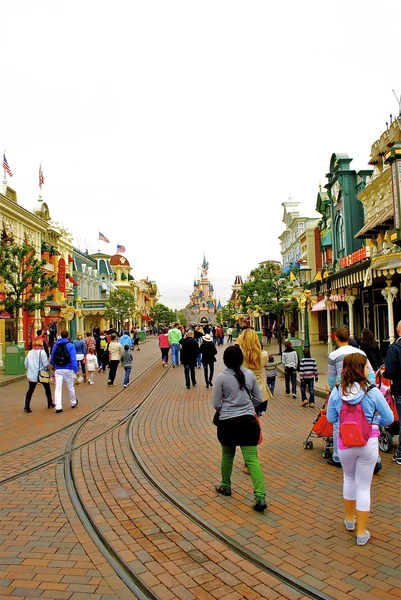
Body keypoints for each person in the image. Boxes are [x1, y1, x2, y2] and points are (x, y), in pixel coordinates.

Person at [327, 353, 393, 545]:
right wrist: (374, 421)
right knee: (364, 486)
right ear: (361, 369)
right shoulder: (372, 392)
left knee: (349, 478)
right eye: (366, 367)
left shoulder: (336, 392)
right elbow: (388, 418)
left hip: (345, 442)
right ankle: (362, 532)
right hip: (368, 442)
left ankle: (349, 520)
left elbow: (331, 419)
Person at [213, 345, 267, 512]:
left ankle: (226, 485)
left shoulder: (221, 378)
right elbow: (258, 398)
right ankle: (260, 496)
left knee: (227, 455)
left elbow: (216, 404)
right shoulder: (249, 374)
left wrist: (229, 406)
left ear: (225, 360)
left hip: (228, 423)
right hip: (248, 422)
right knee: (252, 459)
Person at [327, 326, 376, 468]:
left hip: (342, 390)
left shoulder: (333, 355)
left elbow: (331, 379)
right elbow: (371, 373)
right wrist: (371, 389)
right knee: (364, 418)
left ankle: (338, 455)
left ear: (336, 338)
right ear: (349, 338)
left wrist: (333, 392)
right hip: (362, 389)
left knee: (338, 422)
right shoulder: (360, 352)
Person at [383, 320, 401, 465]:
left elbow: (390, 371)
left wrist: (385, 375)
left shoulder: (395, 348)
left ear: (398, 330)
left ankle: (400, 454)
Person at [237, 328, 272, 403]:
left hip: (245, 394)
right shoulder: (264, 355)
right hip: (261, 393)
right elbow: (265, 363)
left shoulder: (239, 356)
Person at [50, 330, 78, 413]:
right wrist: (76, 370)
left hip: (58, 369)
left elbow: (52, 357)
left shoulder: (56, 345)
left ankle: (58, 406)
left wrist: (53, 366)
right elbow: (73, 359)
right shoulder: (71, 345)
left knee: (58, 388)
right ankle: (73, 402)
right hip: (68, 369)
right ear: (68, 336)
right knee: (70, 386)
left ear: (60, 336)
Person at [24, 337, 54, 412]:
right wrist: (51, 368)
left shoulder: (30, 352)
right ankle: (50, 403)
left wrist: (29, 368)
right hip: (41, 374)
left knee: (30, 390)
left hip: (32, 375)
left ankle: (26, 406)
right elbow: (45, 363)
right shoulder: (42, 352)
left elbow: (25, 363)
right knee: (47, 388)